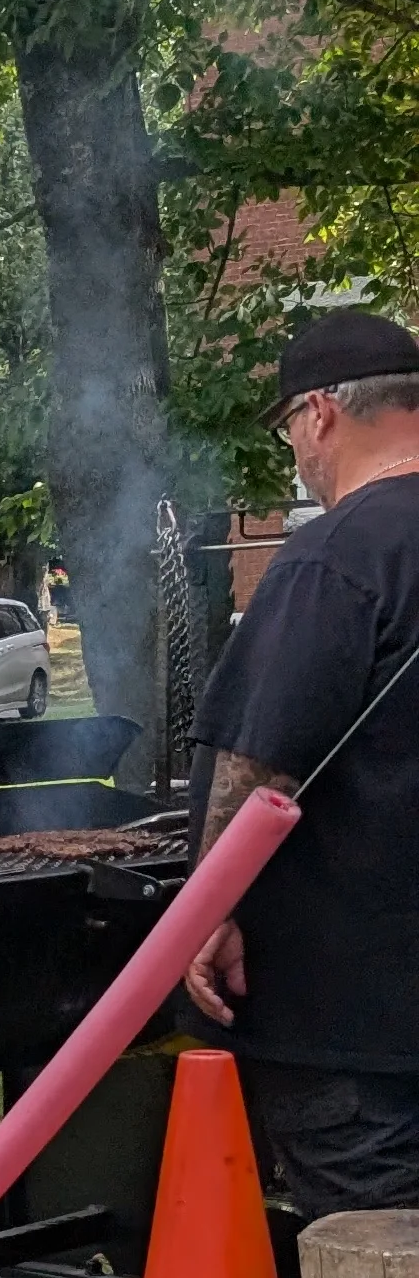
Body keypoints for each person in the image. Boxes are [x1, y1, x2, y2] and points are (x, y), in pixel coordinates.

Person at [183, 305, 419, 1215]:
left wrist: (208, 911)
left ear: (319, 412)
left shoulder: (335, 554)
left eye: (289, 432)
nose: (297, 458)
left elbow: (258, 764)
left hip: (353, 1035)